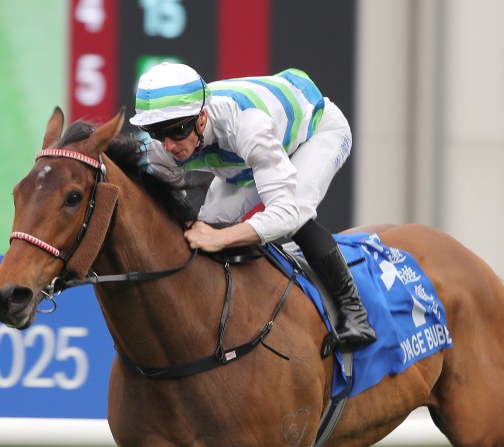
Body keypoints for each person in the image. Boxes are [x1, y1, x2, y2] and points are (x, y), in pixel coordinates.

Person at [129, 62, 376, 350]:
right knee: (207, 224)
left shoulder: (246, 124)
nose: (168, 146)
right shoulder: (163, 148)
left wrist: (221, 237)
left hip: (314, 133)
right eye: (156, 133)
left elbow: (284, 214)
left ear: (201, 117)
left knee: (295, 216)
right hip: (245, 159)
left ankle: (354, 313)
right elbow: (164, 208)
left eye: (176, 132)